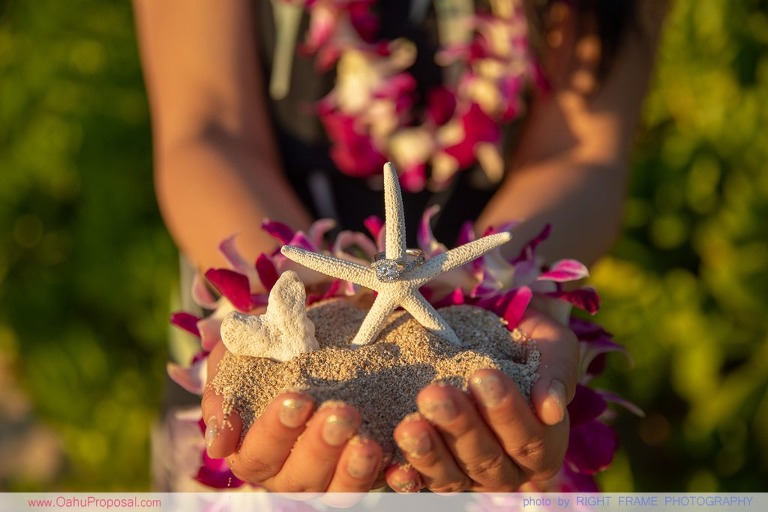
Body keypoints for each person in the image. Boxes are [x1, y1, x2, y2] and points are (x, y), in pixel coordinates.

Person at [133, 0, 665, 493]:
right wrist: (287, 287)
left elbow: (582, 152)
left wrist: (498, 289)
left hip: (475, 289)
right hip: (257, 248)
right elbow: (206, 128)